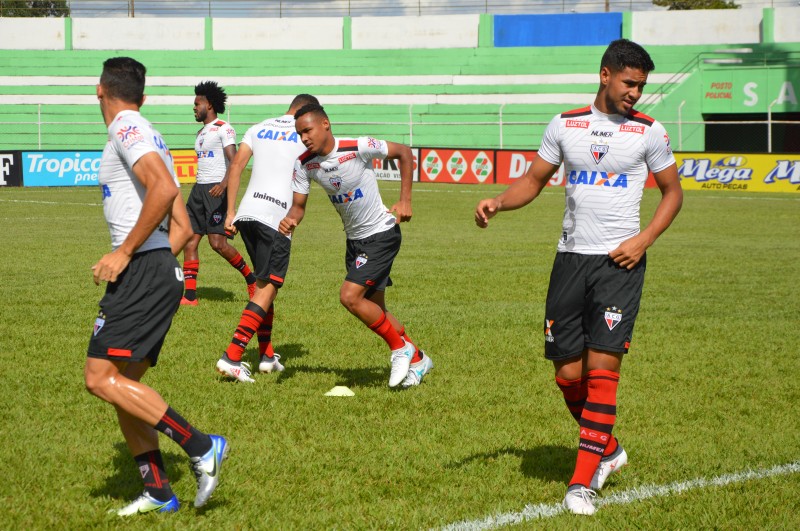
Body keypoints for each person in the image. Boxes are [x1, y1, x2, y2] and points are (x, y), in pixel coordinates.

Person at [475, 39, 683, 515]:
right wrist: (499, 202)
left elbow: (672, 193)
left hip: (619, 262)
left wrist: (644, 239)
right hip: (569, 259)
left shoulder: (649, 132)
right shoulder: (565, 124)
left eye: (642, 86)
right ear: (605, 74)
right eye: (630, 83)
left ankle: (581, 482)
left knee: (603, 371)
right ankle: (608, 451)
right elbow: (533, 180)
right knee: (568, 374)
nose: (636, 93)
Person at [85, 57, 229, 515]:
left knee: (99, 377)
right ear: (143, 96)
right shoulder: (146, 130)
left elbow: (165, 191)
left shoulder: (126, 126)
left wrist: (128, 254)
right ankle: (158, 491)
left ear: (98, 90)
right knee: (123, 386)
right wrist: (161, 266)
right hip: (156, 268)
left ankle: (202, 446)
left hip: (143, 268)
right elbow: (182, 225)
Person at [279, 103, 433, 389]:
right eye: (300, 134)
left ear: (325, 124)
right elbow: (298, 207)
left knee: (350, 296)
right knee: (376, 310)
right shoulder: (304, 164)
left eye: (308, 130)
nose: (304, 138)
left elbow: (404, 152)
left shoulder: (358, 146)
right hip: (354, 241)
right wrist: (290, 219)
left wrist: (406, 200)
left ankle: (400, 350)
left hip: (382, 234)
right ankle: (419, 359)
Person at [214, 94, 320, 383]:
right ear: (306, 111)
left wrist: (230, 213)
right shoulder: (303, 132)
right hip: (277, 219)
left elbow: (235, 166)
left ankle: (266, 357)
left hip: (247, 214)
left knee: (263, 284)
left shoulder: (258, 127)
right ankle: (232, 356)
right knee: (269, 287)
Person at [180, 81, 257, 306]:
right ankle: (190, 296)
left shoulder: (224, 128)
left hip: (216, 191)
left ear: (209, 105)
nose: (194, 107)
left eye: (197, 104)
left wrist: (224, 185)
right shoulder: (200, 132)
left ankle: (251, 279)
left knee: (218, 244)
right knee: (190, 242)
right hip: (198, 190)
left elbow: (235, 161)